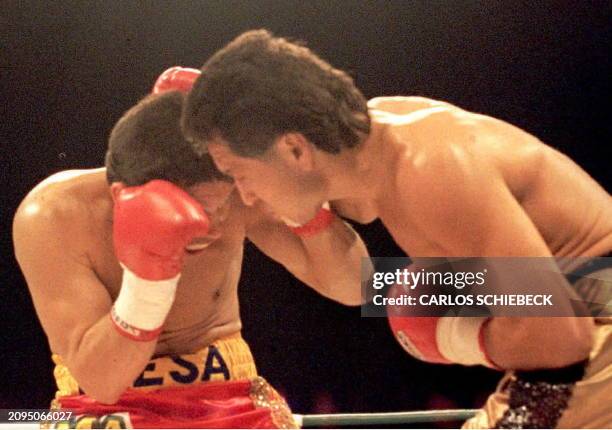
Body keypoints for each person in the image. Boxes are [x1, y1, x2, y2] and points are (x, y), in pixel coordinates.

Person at [182, 30, 612, 428]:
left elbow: (559, 338)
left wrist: (452, 338)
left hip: (589, 326)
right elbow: (363, 288)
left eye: (238, 173)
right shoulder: (366, 154)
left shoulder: (430, 171)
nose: (247, 195)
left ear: (294, 149)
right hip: (577, 308)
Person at [12, 68, 369, 428]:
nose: (212, 225)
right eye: (200, 209)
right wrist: (150, 274)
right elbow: (103, 383)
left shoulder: (241, 191)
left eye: (222, 205)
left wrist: (306, 209)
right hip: (104, 407)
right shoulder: (55, 216)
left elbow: (359, 287)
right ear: (130, 194)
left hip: (229, 396)